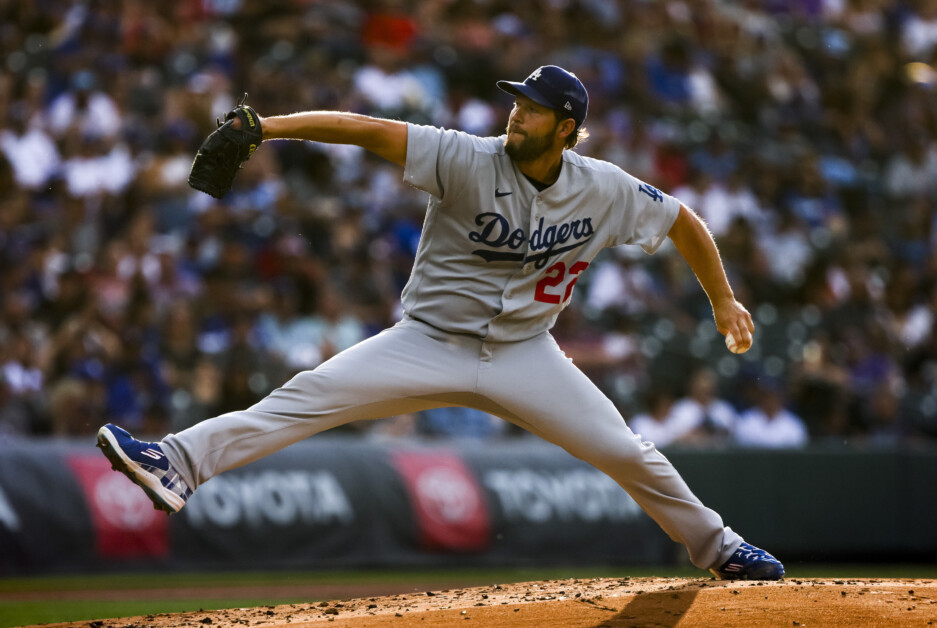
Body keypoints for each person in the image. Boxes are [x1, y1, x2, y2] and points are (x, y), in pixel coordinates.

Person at [97, 66, 783, 580]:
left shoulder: (602, 186)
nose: (517, 116)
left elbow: (682, 221)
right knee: (302, 397)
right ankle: (176, 462)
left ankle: (720, 550)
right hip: (426, 341)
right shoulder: (464, 155)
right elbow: (364, 130)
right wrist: (269, 128)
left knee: (626, 452)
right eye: (517, 104)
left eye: (535, 110)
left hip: (525, 353)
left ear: (566, 127)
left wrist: (722, 299)